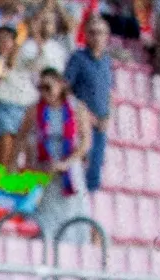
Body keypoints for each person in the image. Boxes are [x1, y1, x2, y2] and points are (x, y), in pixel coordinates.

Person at [14, 67, 93, 241]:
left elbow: (85, 142)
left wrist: (66, 163)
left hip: (69, 169)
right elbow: (21, 137)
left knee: (72, 215)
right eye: (40, 88)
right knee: (46, 218)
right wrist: (20, 162)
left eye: (48, 88)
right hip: (44, 168)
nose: (44, 93)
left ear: (60, 85)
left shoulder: (77, 108)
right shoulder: (35, 110)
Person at [0, 7, 71, 163]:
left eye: (48, 22)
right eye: (42, 21)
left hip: (30, 106)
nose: (44, 25)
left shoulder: (53, 50)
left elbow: (44, 69)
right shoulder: (19, 46)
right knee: (4, 155)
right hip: (7, 102)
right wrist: (25, 35)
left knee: (26, 157)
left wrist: (35, 37)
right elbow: (6, 66)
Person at [65, 15, 114, 191]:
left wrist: (108, 116)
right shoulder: (77, 58)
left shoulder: (107, 60)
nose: (97, 37)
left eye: (101, 33)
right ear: (86, 34)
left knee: (95, 168)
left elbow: (109, 91)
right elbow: (66, 89)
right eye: (93, 33)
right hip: (80, 122)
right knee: (78, 168)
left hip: (101, 123)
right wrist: (85, 114)